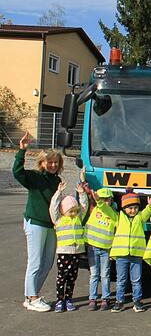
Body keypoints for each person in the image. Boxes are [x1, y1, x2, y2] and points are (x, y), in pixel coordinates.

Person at [14, 132, 62, 312]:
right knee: (35, 262)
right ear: (42, 163)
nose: (53, 165)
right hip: (35, 223)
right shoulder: (35, 177)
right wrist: (22, 150)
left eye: (56, 162)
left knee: (48, 262)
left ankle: (32, 296)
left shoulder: (57, 180)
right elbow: (17, 173)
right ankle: (32, 297)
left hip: (51, 226)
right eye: (49, 162)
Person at [110, 192, 151, 313]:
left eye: (136, 208)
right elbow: (106, 210)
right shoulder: (118, 217)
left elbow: (147, 212)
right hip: (121, 254)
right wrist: (99, 201)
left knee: (136, 280)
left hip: (136, 254)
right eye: (130, 208)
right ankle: (119, 302)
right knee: (121, 280)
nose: (133, 210)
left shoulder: (140, 217)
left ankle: (137, 301)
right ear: (124, 208)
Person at [48, 182, 88, 312]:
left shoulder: (78, 218)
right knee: (62, 276)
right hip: (64, 252)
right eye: (71, 211)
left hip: (76, 252)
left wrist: (82, 193)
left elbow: (84, 206)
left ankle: (69, 299)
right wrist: (58, 193)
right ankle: (60, 300)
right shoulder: (59, 220)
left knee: (72, 277)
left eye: (75, 211)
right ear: (64, 211)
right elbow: (53, 207)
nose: (74, 213)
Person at [85, 187, 118, 311]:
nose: (104, 202)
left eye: (106, 199)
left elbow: (104, 208)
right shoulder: (95, 210)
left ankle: (105, 298)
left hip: (106, 250)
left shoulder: (114, 215)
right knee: (94, 274)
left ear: (111, 200)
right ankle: (92, 299)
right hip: (92, 248)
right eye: (101, 199)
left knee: (105, 275)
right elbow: (87, 197)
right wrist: (84, 183)